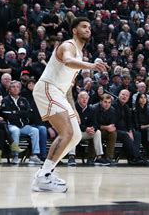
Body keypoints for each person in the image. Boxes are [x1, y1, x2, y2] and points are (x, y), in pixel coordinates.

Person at [31, 17, 107, 193]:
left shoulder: (79, 54)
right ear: (74, 30)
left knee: (75, 136)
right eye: (84, 27)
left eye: (89, 27)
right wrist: (91, 66)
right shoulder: (68, 46)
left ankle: (46, 173)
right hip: (48, 88)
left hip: (59, 92)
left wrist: (72, 108)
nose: (88, 29)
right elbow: (66, 60)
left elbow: (67, 89)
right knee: (67, 132)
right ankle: (43, 177)